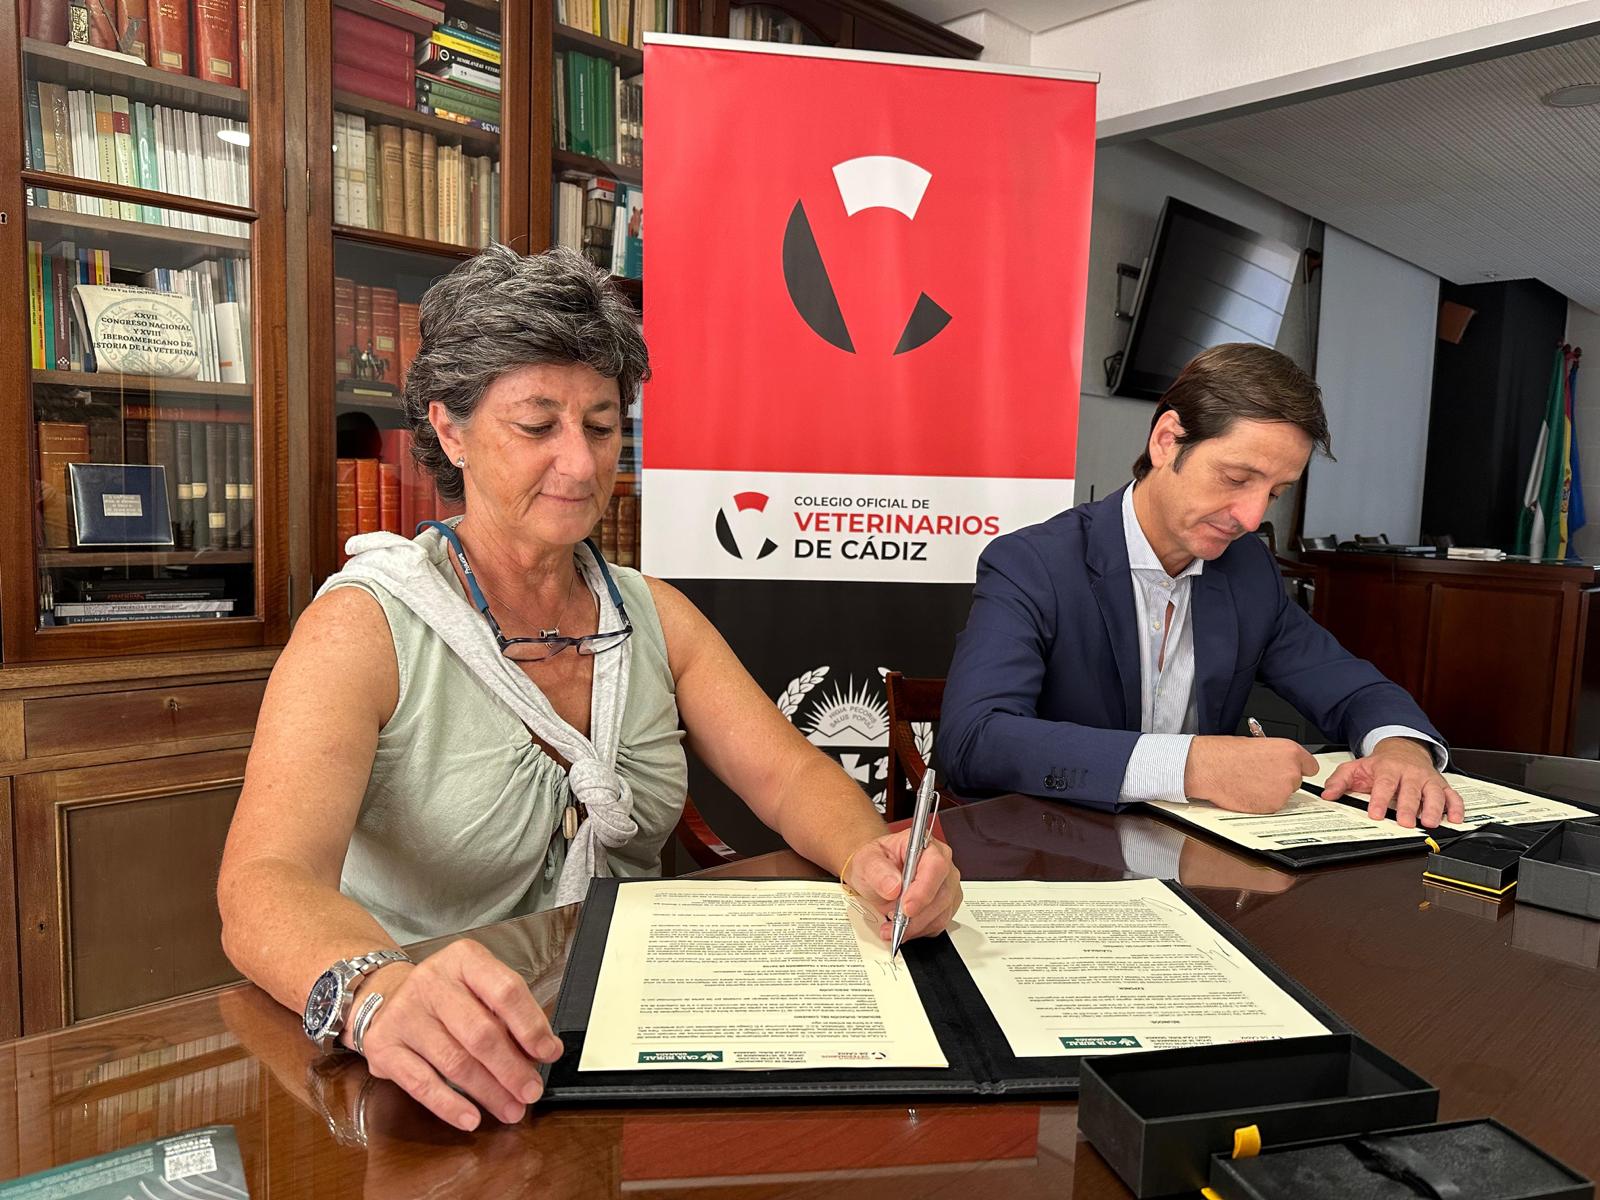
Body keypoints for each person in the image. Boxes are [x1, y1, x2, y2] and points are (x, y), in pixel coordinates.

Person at [218, 245, 961, 1132]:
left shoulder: (651, 614)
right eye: (538, 426)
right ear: (450, 430)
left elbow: (791, 777)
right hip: (444, 1068)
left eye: (602, 426)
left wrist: (870, 860)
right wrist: (377, 994)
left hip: (641, 1041)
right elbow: (262, 884)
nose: (580, 464)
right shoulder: (364, 627)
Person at [939, 342, 1464, 829]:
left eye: (1275, 492)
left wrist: (1401, 748)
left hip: (1199, 862)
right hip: (1059, 856)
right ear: (1167, 441)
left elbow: (1351, 685)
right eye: (1236, 479)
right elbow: (975, 739)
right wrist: (1192, 765)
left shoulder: (1248, 571)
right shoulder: (1034, 563)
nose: (1252, 516)